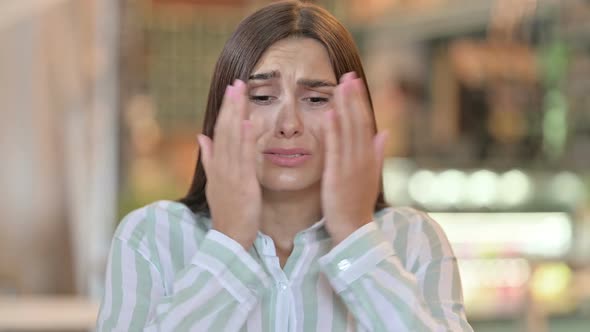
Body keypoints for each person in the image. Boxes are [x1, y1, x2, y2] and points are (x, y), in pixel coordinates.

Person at [97, 1, 473, 331]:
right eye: (262, 96)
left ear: (356, 113)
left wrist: (356, 237)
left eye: (315, 98)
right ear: (221, 113)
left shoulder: (412, 240)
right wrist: (229, 244)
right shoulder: (153, 237)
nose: (289, 123)